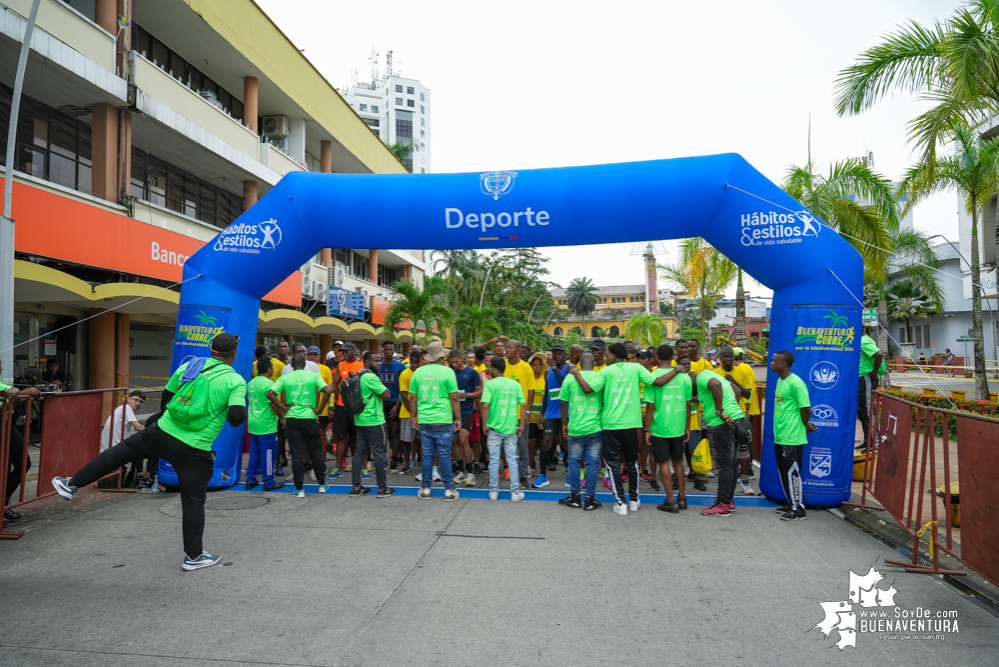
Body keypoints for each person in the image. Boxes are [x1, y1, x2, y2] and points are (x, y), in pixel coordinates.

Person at [53, 333, 246, 571]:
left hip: (161, 433)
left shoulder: (191, 365)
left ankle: (71, 484)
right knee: (193, 501)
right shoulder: (234, 381)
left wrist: (168, 419)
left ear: (211, 349)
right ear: (234, 354)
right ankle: (194, 557)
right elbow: (237, 418)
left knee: (119, 453)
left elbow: (167, 394)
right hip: (195, 449)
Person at [579, 342, 674, 516]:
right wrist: (676, 370)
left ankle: (620, 502)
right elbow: (659, 382)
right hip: (632, 424)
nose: (606, 357)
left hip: (611, 425)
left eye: (607, 355)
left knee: (613, 463)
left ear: (614, 356)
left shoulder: (605, 372)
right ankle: (634, 500)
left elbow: (587, 389)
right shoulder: (636, 369)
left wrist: (575, 373)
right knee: (632, 463)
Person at [268, 353, 333, 498]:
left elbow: (271, 394)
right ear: (305, 364)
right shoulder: (313, 376)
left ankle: (299, 489)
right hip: (309, 417)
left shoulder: (284, 378)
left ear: (291, 365)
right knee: (314, 452)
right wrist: (320, 409)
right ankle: (322, 484)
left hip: (292, 418)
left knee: (296, 453)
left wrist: (284, 408)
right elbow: (327, 391)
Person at [410, 341, 461, 501]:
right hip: (444, 419)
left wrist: (414, 416)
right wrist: (458, 417)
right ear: (441, 356)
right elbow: (454, 397)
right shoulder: (448, 372)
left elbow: (412, 396)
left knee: (427, 455)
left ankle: (425, 489)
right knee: (445, 455)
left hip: (425, 419)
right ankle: (449, 490)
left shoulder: (418, 372)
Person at [770, 350, 818, 521]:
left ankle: (798, 509)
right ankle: (792, 502)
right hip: (781, 436)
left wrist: (805, 424)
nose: (771, 363)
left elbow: (806, 409)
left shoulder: (796, 383)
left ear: (783, 364)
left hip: (791, 437)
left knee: (792, 473)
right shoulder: (780, 381)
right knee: (784, 472)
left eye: (774, 360)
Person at [644, 345, 692, 513]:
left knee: (663, 462)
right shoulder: (684, 376)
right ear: (673, 356)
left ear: (656, 357)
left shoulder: (652, 377)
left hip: (660, 426)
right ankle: (683, 497)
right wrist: (687, 427)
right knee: (678, 461)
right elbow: (687, 404)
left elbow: (650, 407)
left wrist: (647, 429)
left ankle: (671, 501)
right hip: (678, 425)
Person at [694, 365, 744, 517]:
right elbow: (737, 391)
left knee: (724, 466)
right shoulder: (716, 376)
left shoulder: (701, 377)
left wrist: (720, 411)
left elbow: (715, 385)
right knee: (732, 464)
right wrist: (730, 407)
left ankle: (722, 504)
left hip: (721, 424)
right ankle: (728, 500)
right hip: (737, 419)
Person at [558, 352, 603, 511]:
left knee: (574, 462)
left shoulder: (570, 378)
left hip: (576, 427)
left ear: (579, 363)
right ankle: (590, 499)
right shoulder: (599, 377)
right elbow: (604, 402)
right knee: (592, 464)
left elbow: (563, 403)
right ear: (595, 362)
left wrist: (565, 424)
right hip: (595, 428)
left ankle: (575, 497)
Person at [349, 351, 396, 498]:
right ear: (367, 362)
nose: (379, 363)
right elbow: (387, 394)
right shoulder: (370, 377)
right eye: (375, 361)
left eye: (380, 360)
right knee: (379, 454)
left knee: (359, 454)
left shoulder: (359, 376)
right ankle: (382, 488)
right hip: (374, 421)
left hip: (360, 420)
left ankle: (356, 487)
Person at [480, 357, 527, 501]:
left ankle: (493, 491)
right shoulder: (515, 384)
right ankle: (514, 492)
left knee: (494, 460)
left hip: (494, 428)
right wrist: (522, 425)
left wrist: (484, 424)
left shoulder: (490, 384)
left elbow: (485, 406)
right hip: (511, 428)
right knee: (512, 459)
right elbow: (523, 405)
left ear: (494, 370)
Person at [1, 360, 41, 523]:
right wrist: (21, 392)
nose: (1, 368)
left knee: (22, 463)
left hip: (6, 424)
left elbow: (9, 402)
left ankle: (3, 504)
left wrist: (25, 395)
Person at [713, 346, 754, 494]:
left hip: (738, 416)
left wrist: (733, 381)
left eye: (731, 356)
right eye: (725, 356)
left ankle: (745, 481)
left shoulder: (743, 371)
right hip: (721, 418)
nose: (728, 358)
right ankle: (727, 482)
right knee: (725, 453)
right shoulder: (715, 374)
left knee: (743, 451)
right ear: (720, 358)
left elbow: (748, 395)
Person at [245, 357, 285, 491]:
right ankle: (268, 482)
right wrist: (282, 418)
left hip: (253, 423)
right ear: (269, 369)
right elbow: (274, 405)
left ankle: (250, 479)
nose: (273, 368)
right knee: (268, 454)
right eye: (272, 366)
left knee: (255, 454)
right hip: (266, 425)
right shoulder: (269, 385)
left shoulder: (251, 383)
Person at [535, 345, 571, 488]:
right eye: (555, 354)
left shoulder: (570, 369)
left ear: (565, 355)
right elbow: (547, 393)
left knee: (567, 443)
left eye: (560, 354)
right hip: (550, 414)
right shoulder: (548, 371)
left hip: (566, 413)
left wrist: (555, 368)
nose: (557, 356)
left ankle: (570, 474)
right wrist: (541, 414)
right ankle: (543, 475)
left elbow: (565, 384)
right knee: (546, 442)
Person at [100, 390, 151, 488]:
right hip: (113, 450)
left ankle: (133, 477)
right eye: (136, 400)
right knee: (142, 449)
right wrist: (153, 434)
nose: (138, 403)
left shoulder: (127, 415)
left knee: (140, 446)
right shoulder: (125, 408)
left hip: (114, 447)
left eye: (141, 402)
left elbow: (134, 436)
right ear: (128, 399)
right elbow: (138, 427)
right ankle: (136, 477)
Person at [503, 340, 536, 490]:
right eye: (506, 347)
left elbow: (531, 391)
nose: (506, 350)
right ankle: (508, 472)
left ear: (517, 350)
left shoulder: (526, 367)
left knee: (523, 447)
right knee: (505, 446)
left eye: (510, 347)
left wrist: (527, 412)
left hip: (519, 414)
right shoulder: (502, 366)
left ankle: (523, 475)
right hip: (504, 413)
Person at [449, 347, 483, 486]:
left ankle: (470, 473)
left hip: (466, 411)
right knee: (455, 440)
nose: (454, 364)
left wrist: (465, 395)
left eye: (456, 362)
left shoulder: (472, 373)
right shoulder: (449, 372)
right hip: (451, 412)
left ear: (462, 359)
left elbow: (480, 392)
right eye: (452, 362)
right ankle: (461, 471)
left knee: (464, 440)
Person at [332, 342, 363, 474]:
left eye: (346, 351)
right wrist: (324, 389)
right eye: (342, 351)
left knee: (357, 437)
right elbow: (334, 384)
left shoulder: (362, 364)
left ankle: (359, 467)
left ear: (354, 350)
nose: (344, 353)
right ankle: (338, 467)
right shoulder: (341, 365)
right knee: (341, 437)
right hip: (341, 405)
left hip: (357, 406)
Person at [306, 346, 335, 480]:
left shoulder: (325, 369)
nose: (312, 356)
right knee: (307, 438)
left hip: (322, 409)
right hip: (307, 409)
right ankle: (309, 464)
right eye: (310, 354)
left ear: (319, 356)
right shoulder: (303, 369)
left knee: (322, 436)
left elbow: (330, 388)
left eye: (315, 354)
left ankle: (321, 464)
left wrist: (331, 407)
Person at [379, 341, 406, 472]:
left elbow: (403, 389)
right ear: (383, 350)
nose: (389, 352)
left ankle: (394, 459)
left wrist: (397, 404)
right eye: (387, 349)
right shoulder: (379, 365)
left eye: (391, 349)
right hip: (380, 403)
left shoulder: (400, 366)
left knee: (394, 432)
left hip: (394, 402)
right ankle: (382, 459)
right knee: (381, 433)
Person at [857, 326, 885, 451]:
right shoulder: (861, 340)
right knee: (862, 411)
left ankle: (875, 442)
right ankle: (868, 441)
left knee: (868, 410)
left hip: (866, 378)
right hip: (862, 378)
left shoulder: (864, 340)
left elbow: (879, 355)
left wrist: (875, 371)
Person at [397, 349, 422, 476]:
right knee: (407, 440)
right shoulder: (404, 374)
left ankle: (419, 461)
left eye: (417, 363)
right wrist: (413, 412)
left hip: (422, 412)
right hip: (407, 412)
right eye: (412, 362)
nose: (415, 365)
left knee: (419, 440)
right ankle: (407, 464)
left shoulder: (423, 374)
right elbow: (403, 394)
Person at [528, 352, 547, 480]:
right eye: (534, 365)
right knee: (530, 444)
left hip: (542, 417)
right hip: (530, 418)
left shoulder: (545, 378)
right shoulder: (529, 378)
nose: (537, 367)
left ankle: (541, 468)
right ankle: (529, 465)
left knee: (542, 445)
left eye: (539, 365)